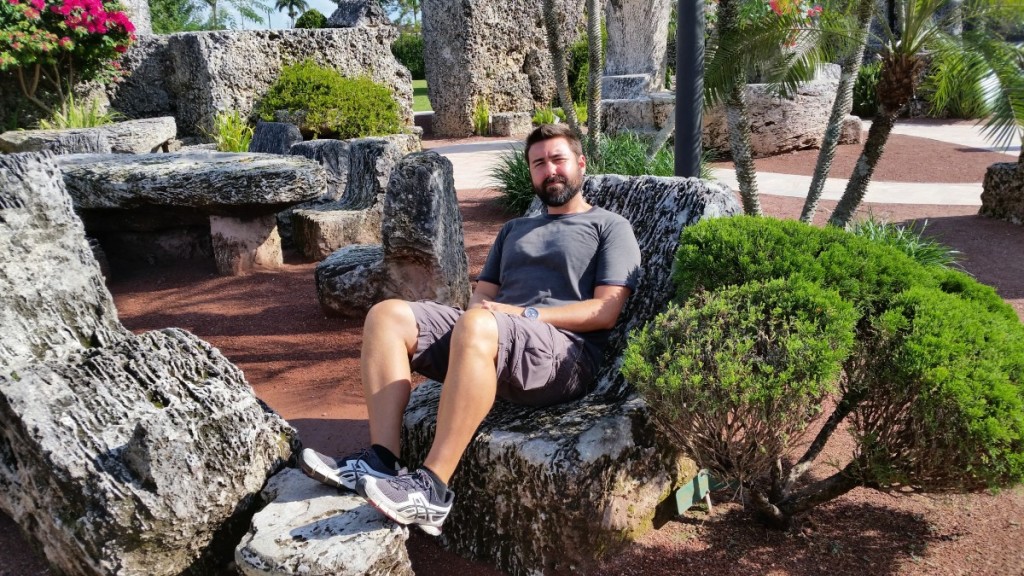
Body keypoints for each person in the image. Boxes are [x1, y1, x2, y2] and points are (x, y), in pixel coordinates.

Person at [300, 123, 642, 535]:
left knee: (480, 323)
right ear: (531, 172)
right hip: (496, 338)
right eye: (539, 163)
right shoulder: (514, 230)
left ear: (580, 164)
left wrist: (522, 316)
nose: (549, 170)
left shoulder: (609, 226)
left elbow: (605, 311)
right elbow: (481, 301)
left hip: (563, 356)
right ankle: (382, 460)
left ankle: (431, 489)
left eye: (558, 159)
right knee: (387, 315)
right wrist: (477, 324)